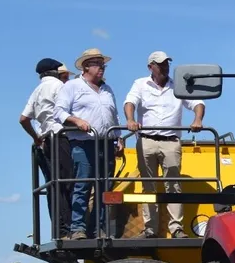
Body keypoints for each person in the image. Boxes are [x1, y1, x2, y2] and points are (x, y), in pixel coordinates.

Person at [124, 50, 206, 238]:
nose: (165, 67)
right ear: (150, 67)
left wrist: (198, 119)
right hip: (146, 140)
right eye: (160, 64)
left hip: (171, 141)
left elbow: (197, 103)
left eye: (167, 64)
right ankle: (150, 229)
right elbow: (130, 102)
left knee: (174, 185)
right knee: (148, 186)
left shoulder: (178, 85)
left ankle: (176, 228)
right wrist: (130, 119)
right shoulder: (140, 84)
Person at [53, 48, 124, 240]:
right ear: (86, 67)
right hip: (83, 143)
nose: (101, 68)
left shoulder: (107, 89)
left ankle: (98, 228)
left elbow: (114, 115)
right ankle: (78, 228)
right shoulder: (73, 86)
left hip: (106, 143)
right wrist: (77, 121)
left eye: (103, 64)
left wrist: (118, 137)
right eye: (97, 64)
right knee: (83, 185)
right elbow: (58, 111)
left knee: (105, 187)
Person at [19, 58, 73, 238]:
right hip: (61, 137)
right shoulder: (60, 87)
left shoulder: (37, 90)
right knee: (67, 183)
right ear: (55, 72)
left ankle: (59, 230)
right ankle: (69, 228)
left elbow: (23, 119)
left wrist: (36, 138)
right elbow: (69, 113)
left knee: (53, 185)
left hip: (45, 141)